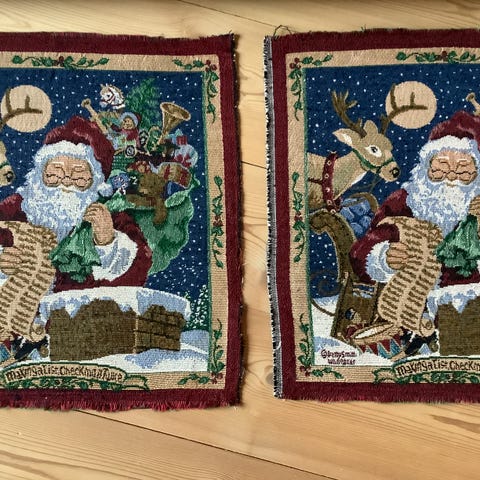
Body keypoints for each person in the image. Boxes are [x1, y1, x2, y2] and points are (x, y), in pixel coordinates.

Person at [350, 110, 480, 353]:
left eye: (463, 169)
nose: (451, 176)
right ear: (426, 166)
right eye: (441, 166)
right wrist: (383, 258)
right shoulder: (405, 201)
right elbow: (361, 251)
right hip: (409, 316)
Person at [0, 115, 152, 293]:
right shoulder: (16, 208)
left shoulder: (109, 215)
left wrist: (108, 242)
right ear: (40, 173)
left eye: (78, 175)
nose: (66, 181)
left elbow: (139, 270)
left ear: (95, 182)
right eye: (56, 172)